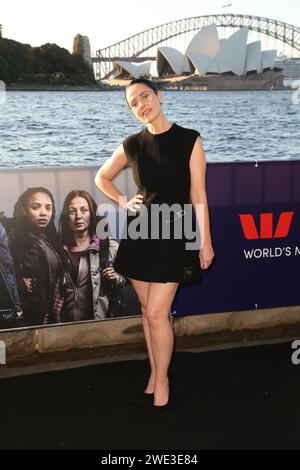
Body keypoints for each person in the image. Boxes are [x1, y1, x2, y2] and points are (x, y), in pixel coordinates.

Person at [95, 78, 215, 417]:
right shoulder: (133, 144)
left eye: (145, 96)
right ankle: (154, 374)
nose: (141, 104)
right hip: (141, 233)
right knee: (148, 314)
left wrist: (205, 241)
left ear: (159, 96)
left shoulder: (190, 139)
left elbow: (198, 195)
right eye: (133, 103)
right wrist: (121, 200)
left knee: (157, 314)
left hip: (175, 234)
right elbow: (101, 177)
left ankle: (162, 382)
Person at [59, 190, 126, 322]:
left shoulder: (109, 248)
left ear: (92, 213)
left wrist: (116, 276)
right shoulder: (58, 250)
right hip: (64, 327)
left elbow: (127, 281)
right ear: (66, 216)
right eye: (72, 211)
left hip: (100, 324)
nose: (78, 216)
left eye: (84, 210)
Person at [1, 187, 64, 326]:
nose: (43, 213)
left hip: (51, 314)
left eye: (48, 208)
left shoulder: (51, 239)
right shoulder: (12, 238)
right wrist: (19, 285)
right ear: (23, 210)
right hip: (28, 316)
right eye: (36, 207)